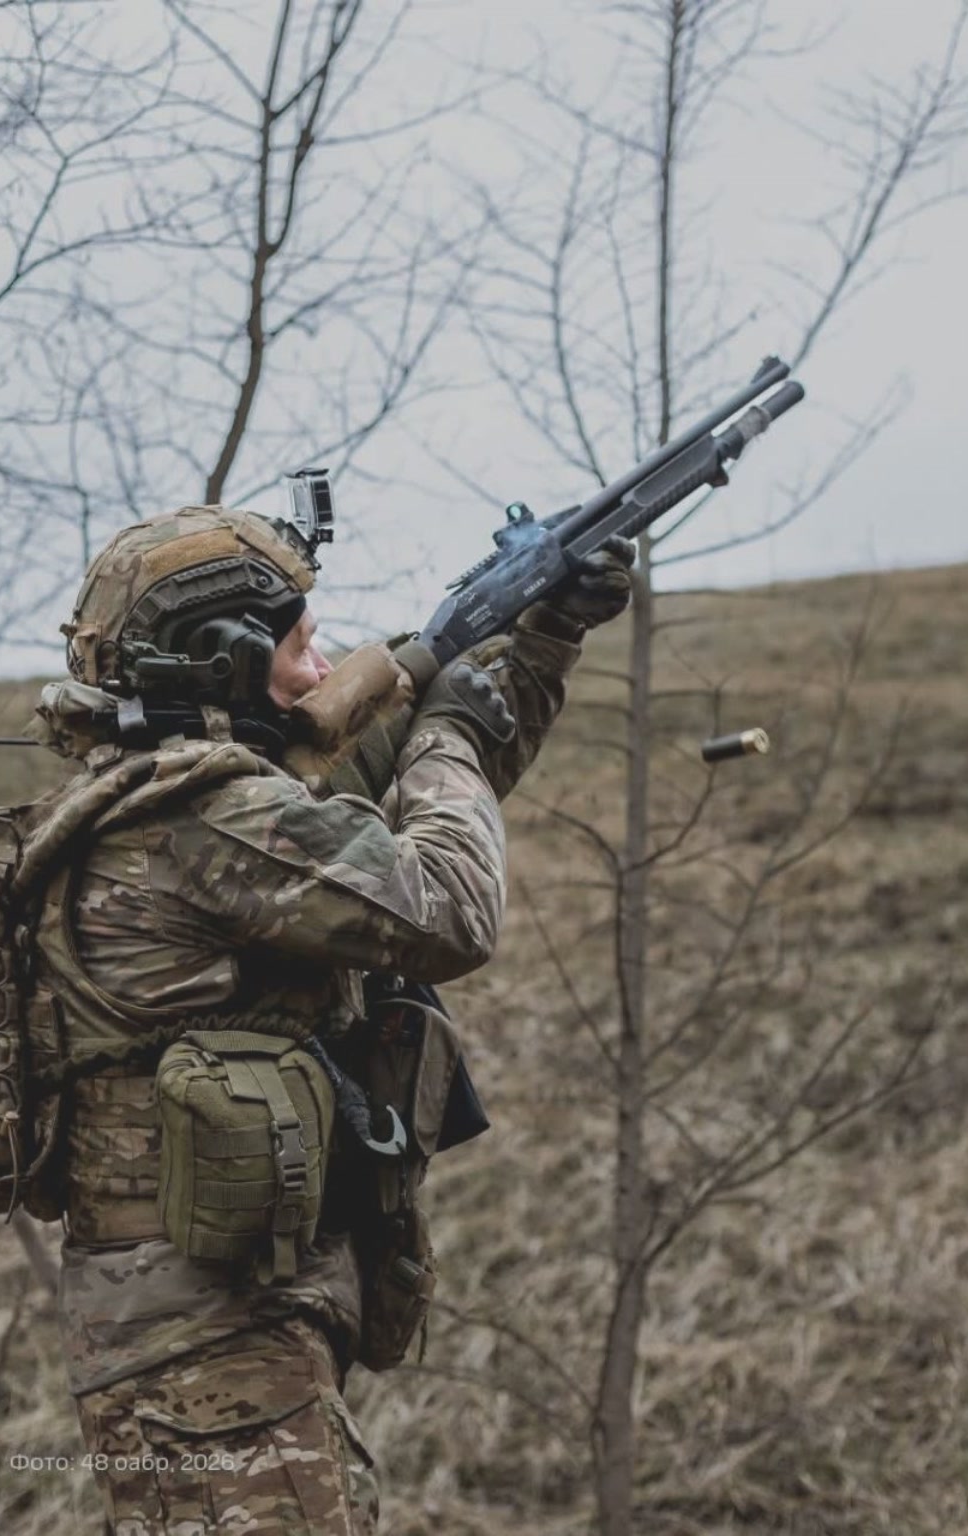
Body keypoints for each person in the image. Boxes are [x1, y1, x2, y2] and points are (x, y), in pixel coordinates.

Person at [40, 503, 631, 1534]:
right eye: (299, 648)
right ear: (220, 658)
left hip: (210, 1325)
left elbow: (434, 797)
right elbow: (447, 901)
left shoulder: (170, 796)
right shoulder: (207, 823)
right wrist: (447, 733)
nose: (322, 672)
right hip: (207, 1352)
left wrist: (544, 634)